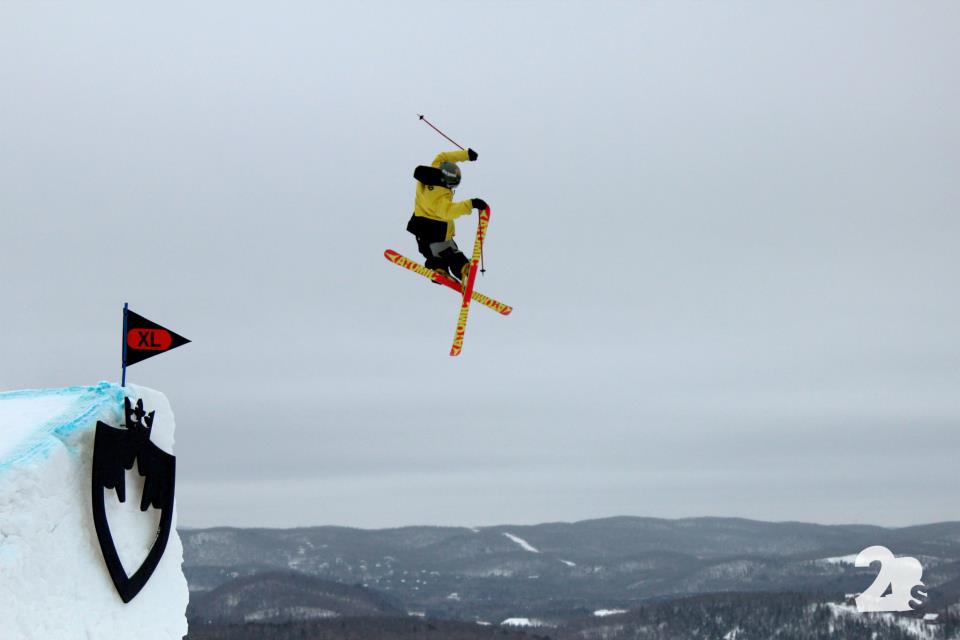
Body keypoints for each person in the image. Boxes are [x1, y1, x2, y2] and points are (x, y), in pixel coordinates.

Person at [406, 148, 488, 282]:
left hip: (434, 230)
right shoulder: (438, 198)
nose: (452, 189)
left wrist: (466, 155)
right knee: (440, 255)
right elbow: (449, 211)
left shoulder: (436, 167)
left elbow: (444, 156)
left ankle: (461, 267)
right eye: (452, 185)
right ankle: (443, 270)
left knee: (449, 252)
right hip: (432, 234)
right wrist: (471, 204)